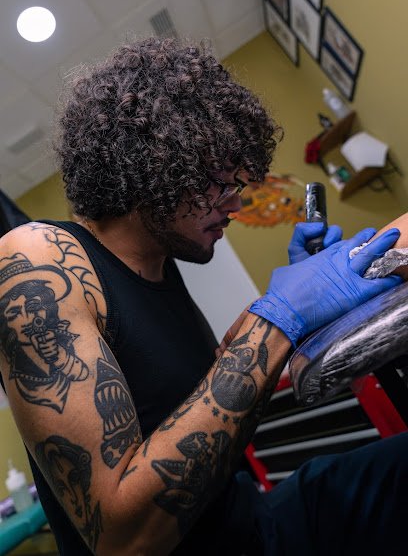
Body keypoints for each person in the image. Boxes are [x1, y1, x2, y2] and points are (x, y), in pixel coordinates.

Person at [0, 37, 406, 556]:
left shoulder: (160, 264)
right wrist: (278, 317)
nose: (235, 205)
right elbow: (122, 539)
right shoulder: (38, 258)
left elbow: (205, 405)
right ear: (155, 169)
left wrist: (301, 305)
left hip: (254, 522)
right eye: (221, 183)